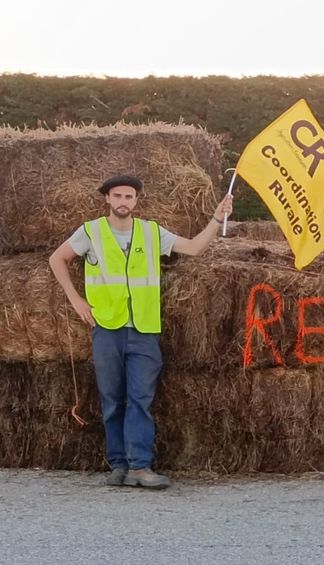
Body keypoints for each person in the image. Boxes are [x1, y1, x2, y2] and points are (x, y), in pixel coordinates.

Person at [48, 175, 232, 490]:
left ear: (136, 200)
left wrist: (218, 218)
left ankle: (139, 466)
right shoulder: (91, 232)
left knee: (140, 398)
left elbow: (194, 248)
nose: (123, 201)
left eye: (129, 196)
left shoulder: (151, 232)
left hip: (144, 329)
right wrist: (77, 301)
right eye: (117, 195)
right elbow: (57, 259)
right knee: (111, 399)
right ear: (107, 199)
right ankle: (118, 465)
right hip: (107, 327)